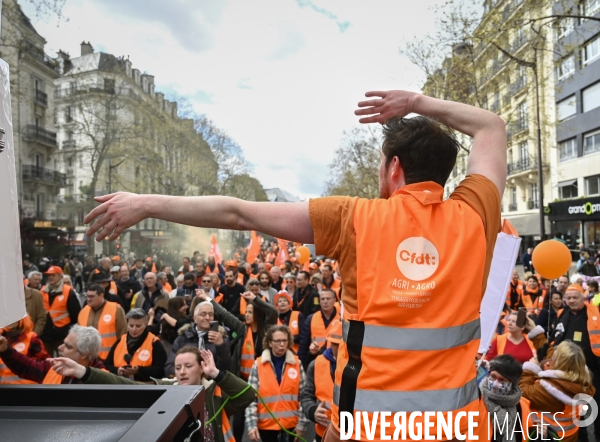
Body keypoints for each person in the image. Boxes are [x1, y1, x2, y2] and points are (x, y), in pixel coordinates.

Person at [84, 89, 506, 440]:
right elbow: (490, 125)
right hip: (460, 427)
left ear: (394, 167)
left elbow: (239, 213)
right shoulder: (476, 214)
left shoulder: (355, 217)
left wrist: (145, 204)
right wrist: (416, 101)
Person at [50, 347, 255, 442]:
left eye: (188, 366)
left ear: (201, 368)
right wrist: (82, 371)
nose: (182, 371)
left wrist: (217, 374)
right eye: (178, 367)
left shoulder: (214, 394)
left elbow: (247, 396)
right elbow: (122, 384)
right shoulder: (166, 390)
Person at [520, 341, 595, 442]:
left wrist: (531, 368)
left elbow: (522, 390)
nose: (550, 360)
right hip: (571, 437)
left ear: (559, 363)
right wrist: (538, 336)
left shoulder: (548, 389)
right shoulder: (582, 384)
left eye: (554, 359)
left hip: (548, 437)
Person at [245, 325, 309, 442]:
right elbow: (250, 399)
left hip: (291, 428)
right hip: (265, 428)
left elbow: (304, 397)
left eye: (284, 340)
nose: (282, 344)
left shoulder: (296, 364)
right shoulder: (258, 365)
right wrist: (251, 426)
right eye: (277, 341)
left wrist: (302, 425)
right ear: (270, 343)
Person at [232, 291, 278, 442]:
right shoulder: (242, 329)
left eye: (250, 312)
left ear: (257, 313)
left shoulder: (267, 329)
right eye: (246, 312)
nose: (246, 315)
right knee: (238, 419)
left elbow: (272, 311)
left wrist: (255, 299)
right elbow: (225, 315)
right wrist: (207, 299)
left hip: (262, 382)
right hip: (242, 381)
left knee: (262, 417)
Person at [0, 324, 104, 384]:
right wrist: (5, 349)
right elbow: (27, 367)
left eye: (68, 346)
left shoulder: (102, 380)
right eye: (63, 343)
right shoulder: (53, 366)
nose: (60, 347)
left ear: (84, 354)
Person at [165, 301, 232, 377]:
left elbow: (225, 369)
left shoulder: (221, 338)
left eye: (210, 314)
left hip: (212, 383)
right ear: (195, 318)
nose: (207, 318)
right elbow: (169, 367)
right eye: (203, 314)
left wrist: (221, 345)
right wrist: (192, 373)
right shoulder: (182, 338)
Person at [300, 320, 342, 442]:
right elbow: (306, 395)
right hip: (322, 433)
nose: (338, 348)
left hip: (351, 434)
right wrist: (313, 411)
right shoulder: (316, 364)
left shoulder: (358, 365)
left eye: (341, 344)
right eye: (334, 344)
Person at [103, 308, 166, 382]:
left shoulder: (154, 342)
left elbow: (160, 371)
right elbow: (106, 365)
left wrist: (138, 371)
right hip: (120, 385)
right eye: (131, 325)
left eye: (138, 326)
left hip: (144, 388)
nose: (134, 329)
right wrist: (117, 371)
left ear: (145, 324)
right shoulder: (120, 340)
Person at [480, 355, 532, 442]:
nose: (496, 383)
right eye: (493, 376)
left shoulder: (522, 405)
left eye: (502, 380)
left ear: (512, 384)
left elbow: (526, 434)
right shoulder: (477, 400)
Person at [40, 265, 82, 357]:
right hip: (46, 333)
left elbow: (76, 314)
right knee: (46, 360)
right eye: (49, 275)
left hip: (62, 334)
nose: (50, 277)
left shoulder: (68, 291)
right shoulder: (42, 290)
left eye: (53, 275)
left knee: (63, 361)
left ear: (60, 276)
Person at [77, 283, 127, 360]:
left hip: (109, 357)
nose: (88, 299)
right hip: (88, 358)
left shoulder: (116, 309)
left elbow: (123, 334)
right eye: (87, 296)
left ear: (101, 296)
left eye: (92, 296)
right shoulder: (83, 311)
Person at [0, 317, 49, 384]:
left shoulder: (31, 337)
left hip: (26, 389)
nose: (9, 320)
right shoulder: (1, 339)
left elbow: (45, 363)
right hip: (4, 388)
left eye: (13, 317)